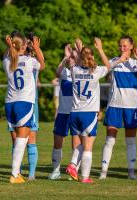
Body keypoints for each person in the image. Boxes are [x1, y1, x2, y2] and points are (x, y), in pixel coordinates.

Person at [100, 36, 137, 180]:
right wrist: (118, 59)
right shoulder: (114, 61)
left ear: (132, 46)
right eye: (120, 46)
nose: (122, 48)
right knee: (110, 139)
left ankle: (131, 172)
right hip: (115, 105)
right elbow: (106, 68)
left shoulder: (135, 63)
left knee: (131, 141)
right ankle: (103, 172)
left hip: (131, 107)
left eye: (125, 46)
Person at [65, 38, 110, 183]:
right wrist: (100, 49)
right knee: (88, 146)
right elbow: (108, 66)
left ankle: (73, 165)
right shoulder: (95, 71)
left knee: (80, 144)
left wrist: (79, 51)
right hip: (88, 113)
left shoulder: (74, 69)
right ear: (92, 56)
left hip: (74, 112)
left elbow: (78, 63)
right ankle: (84, 177)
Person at [4, 34, 45, 183]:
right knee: (23, 139)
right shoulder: (29, 61)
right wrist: (37, 48)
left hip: (9, 103)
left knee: (17, 139)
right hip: (24, 103)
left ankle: (17, 173)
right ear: (23, 47)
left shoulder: (7, 61)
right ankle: (15, 174)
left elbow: (8, 54)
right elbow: (43, 65)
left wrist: (9, 46)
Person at [48, 43, 78, 180]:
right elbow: (57, 71)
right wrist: (65, 58)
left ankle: (74, 170)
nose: (71, 58)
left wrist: (75, 58)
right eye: (69, 56)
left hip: (77, 112)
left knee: (76, 143)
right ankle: (56, 170)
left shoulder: (81, 71)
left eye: (73, 56)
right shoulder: (64, 72)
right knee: (57, 141)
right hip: (63, 112)